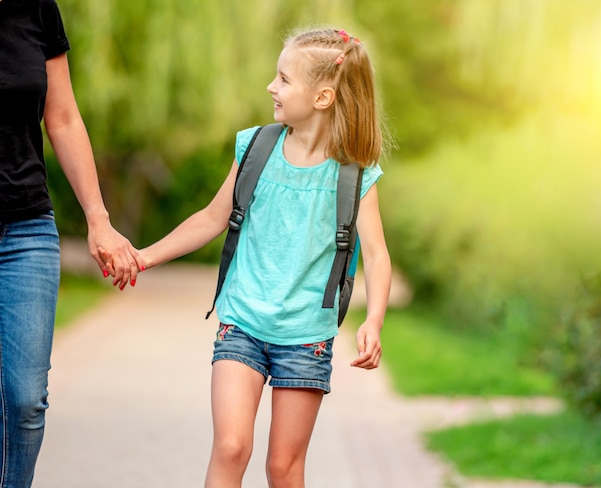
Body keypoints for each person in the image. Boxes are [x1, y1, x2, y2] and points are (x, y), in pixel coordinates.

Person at [102, 27, 392, 488]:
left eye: (283, 79)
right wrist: (143, 257)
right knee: (232, 446)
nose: (271, 88)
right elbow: (211, 218)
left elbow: (376, 256)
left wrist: (373, 320)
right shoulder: (257, 147)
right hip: (243, 320)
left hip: (306, 337)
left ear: (322, 97)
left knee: (283, 468)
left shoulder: (354, 175)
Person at [0, 1, 144, 486]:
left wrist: (98, 220)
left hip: (25, 230)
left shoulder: (37, 8)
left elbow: (61, 117)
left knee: (24, 399)